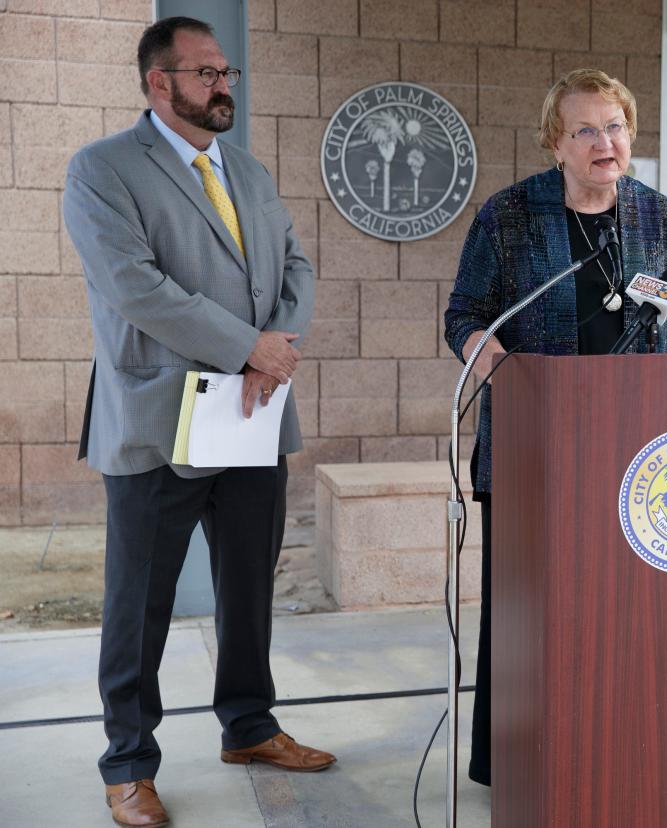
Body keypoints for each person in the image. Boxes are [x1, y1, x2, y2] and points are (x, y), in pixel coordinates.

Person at [63, 16, 332, 827]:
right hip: (157, 421)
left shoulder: (244, 170)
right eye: (208, 72)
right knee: (138, 602)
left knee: (249, 586)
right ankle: (128, 763)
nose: (225, 85)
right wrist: (249, 345)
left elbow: (296, 263)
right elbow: (136, 288)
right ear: (159, 83)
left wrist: (273, 348)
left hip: (251, 418)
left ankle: (248, 726)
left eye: (228, 73)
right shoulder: (102, 171)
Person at [444, 68, 667, 786]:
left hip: (640, 450)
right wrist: (508, 376)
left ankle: (618, 743)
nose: (606, 142)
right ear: (555, 144)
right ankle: (514, 761)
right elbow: (466, 316)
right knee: (529, 614)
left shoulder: (659, 216)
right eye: (586, 130)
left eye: (617, 126)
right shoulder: (509, 216)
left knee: (626, 611)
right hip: (537, 450)